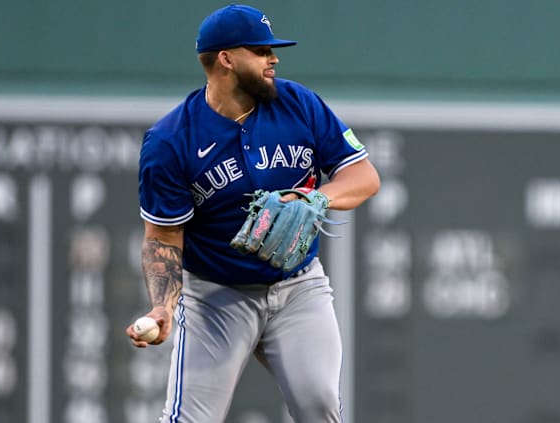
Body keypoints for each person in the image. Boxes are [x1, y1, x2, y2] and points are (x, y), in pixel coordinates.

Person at [125, 4, 380, 422]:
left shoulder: (298, 103)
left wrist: (315, 199)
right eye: (260, 51)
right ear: (226, 59)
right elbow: (162, 237)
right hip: (216, 297)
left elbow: (364, 176)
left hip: (297, 288)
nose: (273, 58)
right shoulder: (171, 141)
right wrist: (162, 307)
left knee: (319, 404)